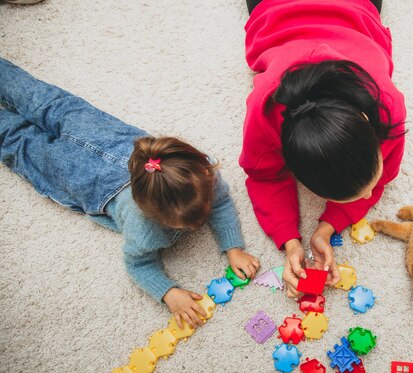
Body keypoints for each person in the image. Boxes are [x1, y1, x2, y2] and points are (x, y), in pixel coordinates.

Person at [0, 58, 260, 328]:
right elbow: (138, 264)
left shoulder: (204, 172)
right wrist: (168, 292)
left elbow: (221, 202)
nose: (200, 222)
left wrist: (233, 247)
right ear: (152, 215)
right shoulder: (144, 229)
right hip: (83, 179)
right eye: (187, 222)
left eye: (204, 209)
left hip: (104, 134)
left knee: (49, 104)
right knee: (19, 138)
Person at [240, 0, 406, 298]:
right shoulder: (263, 113)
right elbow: (263, 175)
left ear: (368, 122)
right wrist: (290, 240)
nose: (371, 195)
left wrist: (328, 226)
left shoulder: (387, 106)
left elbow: (382, 178)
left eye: (368, 186)